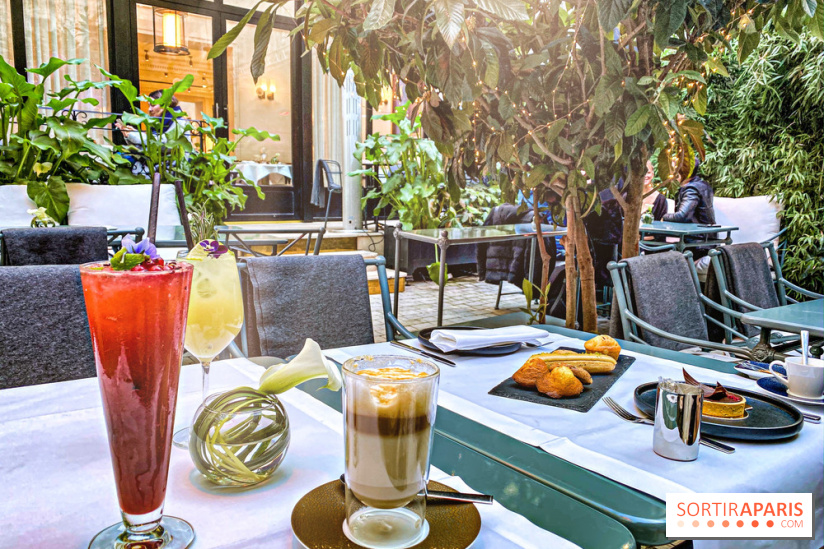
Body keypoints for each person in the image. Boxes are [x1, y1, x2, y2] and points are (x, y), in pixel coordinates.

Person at [663, 154, 716, 258]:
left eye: (675, 168)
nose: (672, 171)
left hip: (697, 245)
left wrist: (663, 217)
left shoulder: (691, 189)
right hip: (706, 241)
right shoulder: (702, 185)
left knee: (657, 252)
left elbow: (682, 215)